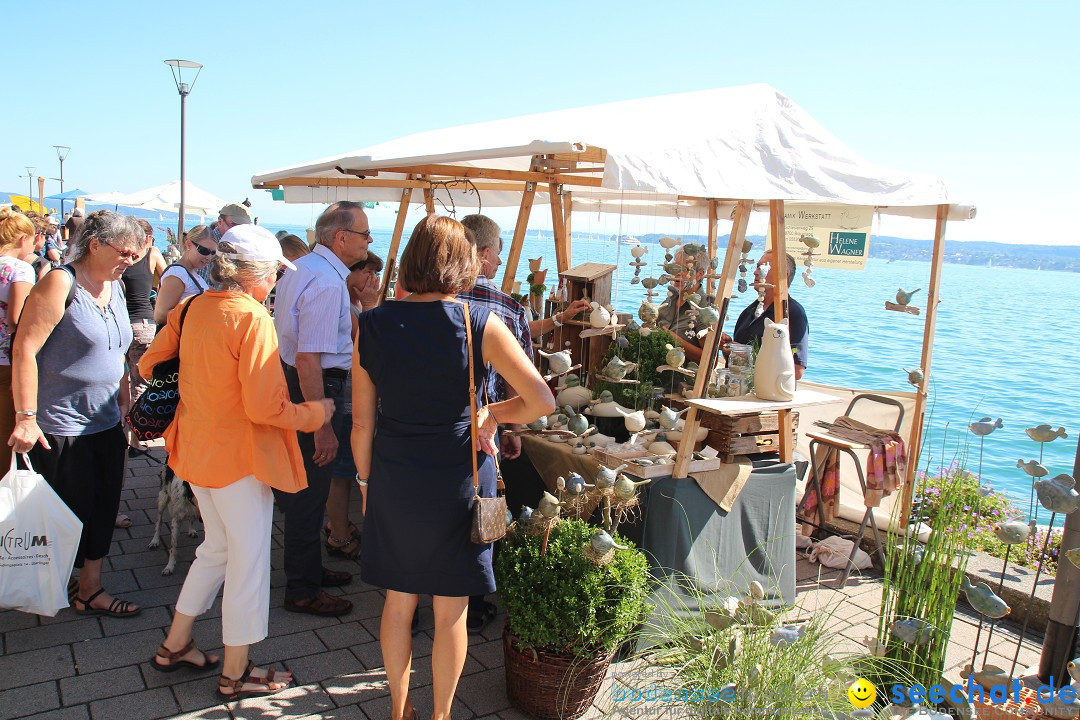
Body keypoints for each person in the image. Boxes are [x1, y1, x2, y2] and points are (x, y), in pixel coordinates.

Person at [353, 215, 554, 720]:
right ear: (466, 262)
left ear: (411, 261)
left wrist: (363, 483)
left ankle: (400, 711)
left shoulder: (373, 323)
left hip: (395, 476)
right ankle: (441, 714)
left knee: (397, 604)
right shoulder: (479, 323)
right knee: (451, 610)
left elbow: (360, 424)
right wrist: (492, 412)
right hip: (460, 480)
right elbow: (540, 399)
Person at [141, 224, 332, 700]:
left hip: (196, 450)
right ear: (255, 273)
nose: (276, 282)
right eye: (273, 273)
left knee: (218, 551)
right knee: (247, 563)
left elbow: (150, 365)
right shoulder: (249, 317)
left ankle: (176, 644)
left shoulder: (191, 308)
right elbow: (266, 408)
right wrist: (316, 413)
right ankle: (236, 672)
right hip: (239, 458)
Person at [8, 210, 140, 617]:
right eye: (124, 253)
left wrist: (123, 398)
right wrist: (25, 417)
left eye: (137, 256)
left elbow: (117, 350)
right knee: (68, 511)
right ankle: (43, 585)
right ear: (95, 244)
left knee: (103, 507)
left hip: (105, 420)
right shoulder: (60, 282)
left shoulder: (113, 287)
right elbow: (24, 349)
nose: (130, 262)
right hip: (61, 423)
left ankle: (89, 588)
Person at [273, 200, 370, 616]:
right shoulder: (328, 283)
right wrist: (322, 424)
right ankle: (302, 588)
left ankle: (308, 571)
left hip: (300, 381)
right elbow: (310, 358)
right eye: (365, 234)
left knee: (306, 489)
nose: (370, 240)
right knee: (309, 492)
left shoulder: (307, 269)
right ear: (341, 238)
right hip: (314, 385)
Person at [323, 250, 386, 561]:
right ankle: (338, 534)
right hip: (347, 401)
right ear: (351, 273)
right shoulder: (349, 307)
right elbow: (369, 343)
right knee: (342, 474)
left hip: (349, 399)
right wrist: (373, 307)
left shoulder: (352, 304)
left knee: (344, 472)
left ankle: (339, 524)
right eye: (368, 273)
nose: (373, 280)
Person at [731, 251, 809, 379]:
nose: (756, 272)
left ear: (783, 276)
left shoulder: (793, 313)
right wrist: (729, 345)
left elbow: (796, 370)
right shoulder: (749, 310)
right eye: (757, 267)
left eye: (763, 267)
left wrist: (743, 353)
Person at [0, 209, 37, 469]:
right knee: (4, 433)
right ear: (23, 238)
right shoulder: (19, 269)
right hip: (6, 359)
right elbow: (17, 318)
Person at [123, 219, 167, 404]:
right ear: (148, 238)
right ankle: (141, 429)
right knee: (142, 382)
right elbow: (169, 279)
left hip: (120, 323)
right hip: (143, 323)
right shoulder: (152, 254)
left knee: (122, 380)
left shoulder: (121, 257)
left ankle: (125, 429)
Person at [656, 243, 711, 363]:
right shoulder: (669, 301)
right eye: (675, 267)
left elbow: (709, 359)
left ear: (699, 274)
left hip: (686, 379)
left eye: (684, 269)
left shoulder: (705, 309)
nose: (677, 273)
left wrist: (671, 337)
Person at [154, 225, 216, 326]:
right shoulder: (177, 275)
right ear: (188, 244)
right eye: (204, 251)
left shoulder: (191, 274)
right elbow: (160, 316)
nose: (208, 257)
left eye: (213, 253)